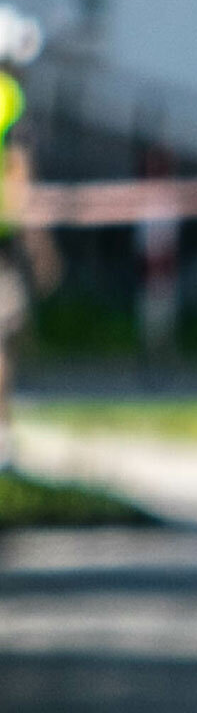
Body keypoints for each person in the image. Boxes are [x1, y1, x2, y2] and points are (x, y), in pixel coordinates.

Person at [0, 69, 63, 471]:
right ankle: (2, 439)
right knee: (3, 339)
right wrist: (42, 247)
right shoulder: (9, 98)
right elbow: (20, 178)